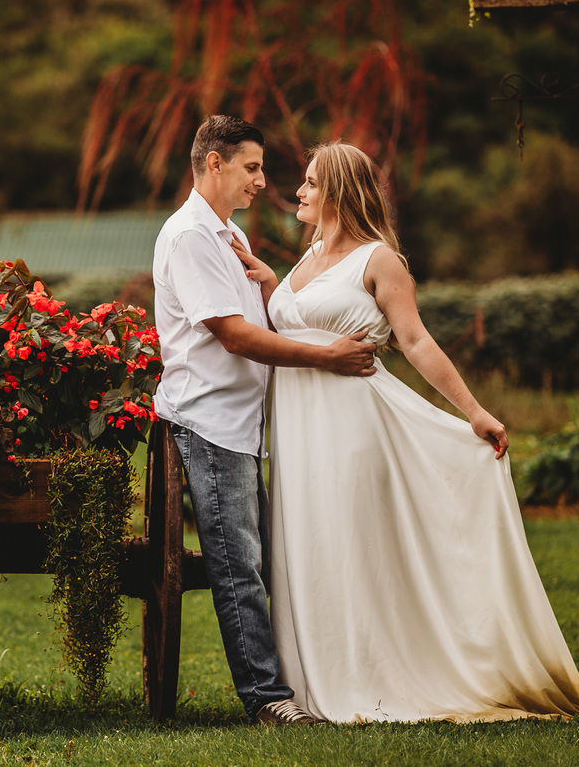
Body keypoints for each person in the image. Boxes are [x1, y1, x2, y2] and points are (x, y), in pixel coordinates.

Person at [231, 141, 579, 724]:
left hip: (351, 424)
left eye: (310, 182)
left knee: (350, 547)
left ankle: (370, 679)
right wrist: (268, 285)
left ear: (338, 191)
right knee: (310, 546)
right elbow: (297, 328)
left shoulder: (380, 260)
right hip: (298, 435)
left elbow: (416, 341)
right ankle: (313, 681)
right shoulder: (307, 257)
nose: (298, 192)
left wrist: (474, 411)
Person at [152, 116, 377, 726]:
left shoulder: (225, 235)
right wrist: (326, 357)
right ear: (215, 162)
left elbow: (257, 320)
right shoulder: (190, 237)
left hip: (243, 425)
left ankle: (310, 680)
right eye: (251, 167)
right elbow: (233, 335)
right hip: (210, 420)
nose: (261, 180)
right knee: (238, 566)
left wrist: (275, 286)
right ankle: (267, 699)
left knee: (266, 560)